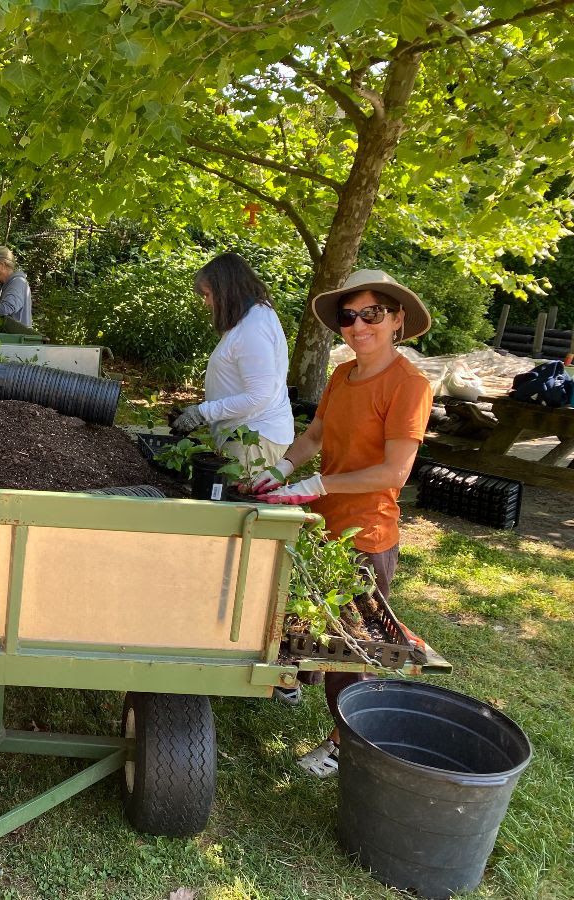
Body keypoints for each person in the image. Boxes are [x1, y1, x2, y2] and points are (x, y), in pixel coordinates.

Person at [250, 269, 433, 778]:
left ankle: (344, 742)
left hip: (366, 534)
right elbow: (314, 438)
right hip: (322, 526)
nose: (358, 326)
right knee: (302, 617)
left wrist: (318, 486)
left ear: (397, 319)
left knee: (353, 646)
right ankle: (289, 681)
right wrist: (279, 471)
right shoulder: (340, 377)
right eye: (349, 317)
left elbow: (395, 471)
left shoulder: (409, 386)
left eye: (371, 314)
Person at [169, 253, 294, 476]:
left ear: (226, 289)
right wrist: (203, 410)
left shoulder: (253, 329)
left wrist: (202, 412)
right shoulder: (250, 320)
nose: (206, 302)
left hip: (254, 438)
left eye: (208, 294)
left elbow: (259, 396)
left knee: (234, 507)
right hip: (245, 433)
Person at [0, 246, 32, 326]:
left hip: (17, 336)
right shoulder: (1, 283)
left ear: (2, 265)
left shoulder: (18, 282)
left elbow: (8, 307)